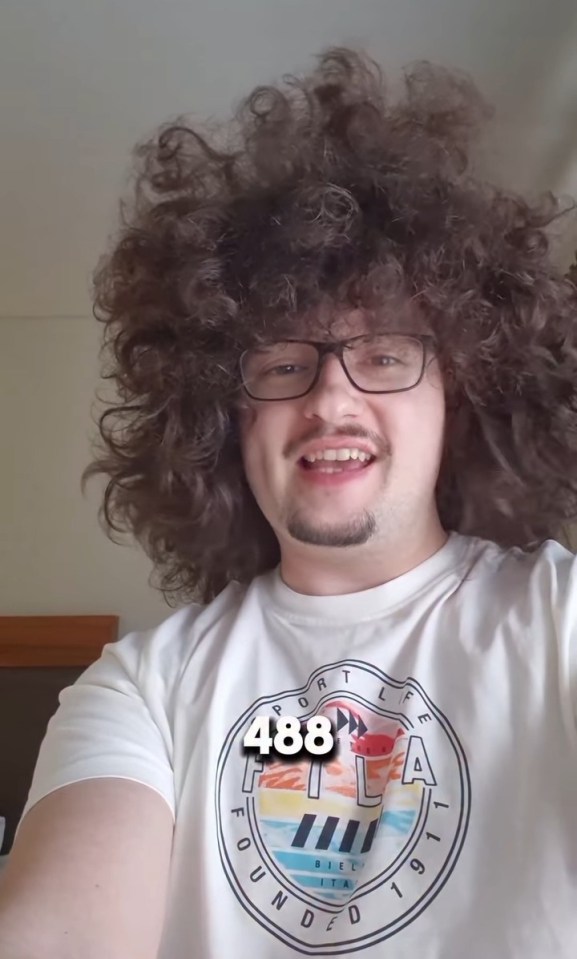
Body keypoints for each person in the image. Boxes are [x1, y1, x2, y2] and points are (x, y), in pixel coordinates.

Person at [1, 47, 577, 959]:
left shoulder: (558, 619)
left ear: (457, 396)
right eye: (280, 363)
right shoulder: (144, 687)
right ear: (220, 419)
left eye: (383, 354)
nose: (330, 397)